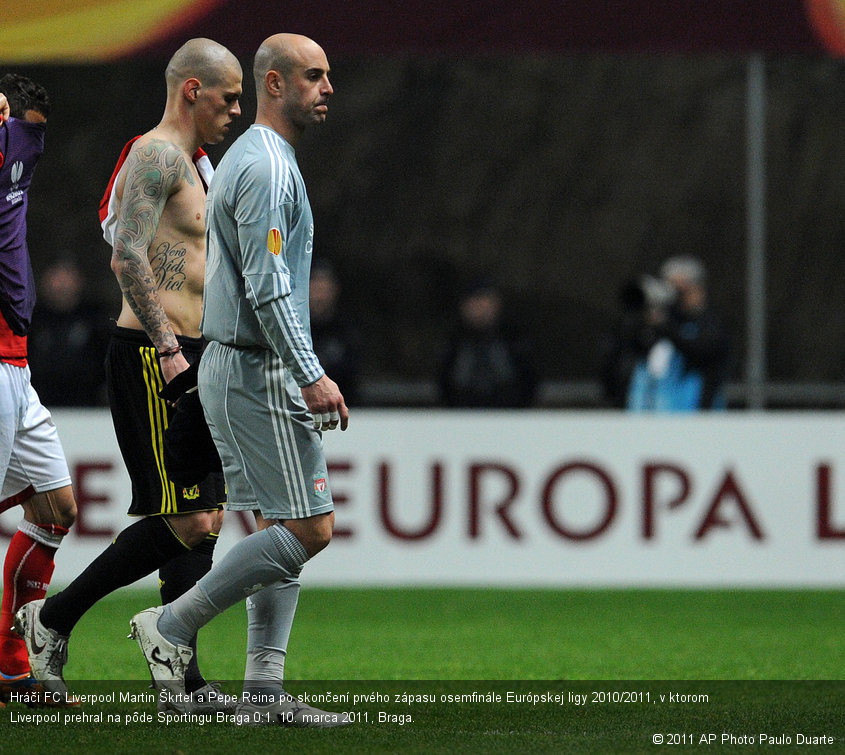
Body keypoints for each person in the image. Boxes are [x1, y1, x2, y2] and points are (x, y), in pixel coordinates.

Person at [127, 33, 351, 727]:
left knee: (279, 526)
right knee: (310, 528)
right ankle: (170, 623)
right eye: (314, 76)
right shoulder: (266, 168)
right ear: (274, 84)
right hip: (258, 368)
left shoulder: (247, 160)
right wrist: (309, 372)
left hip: (236, 363)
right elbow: (268, 285)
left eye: (328, 75)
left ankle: (262, 692)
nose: (328, 87)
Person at [15, 40, 243, 707]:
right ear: (192, 89)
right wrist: (171, 348)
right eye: (228, 96)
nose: (235, 110)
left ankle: (180, 676)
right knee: (191, 519)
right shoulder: (155, 154)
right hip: (151, 353)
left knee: (207, 514)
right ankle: (52, 619)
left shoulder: (200, 165)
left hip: (196, 353)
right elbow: (126, 255)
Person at [0, 74, 77, 705]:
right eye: (25, 129)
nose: (32, 144)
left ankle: (10, 662)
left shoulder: (16, 171)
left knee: (56, 509)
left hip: (17, 369)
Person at [603, 256, 731, 411]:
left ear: (698, 290)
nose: (675, 296)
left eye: (681, 289)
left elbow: (704, 351)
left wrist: (667, 326)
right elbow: (618, 355)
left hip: (695, 418)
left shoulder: (709, 324)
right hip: (646, 415)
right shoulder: (652, 328)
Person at [438, 278, 537, 408]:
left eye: (485, 303)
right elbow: (444, 383)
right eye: (475, 304)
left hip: (509, 416)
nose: (480, 310)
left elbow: (528, 380)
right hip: (461, 417)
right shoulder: (454, 342)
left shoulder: (513, 339)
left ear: (496, 305)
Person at [27, 259, 109, 407]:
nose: (62, 284)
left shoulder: (95, 320)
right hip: (39, 405)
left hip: (89, 409)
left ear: (79, 281)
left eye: (67, 276)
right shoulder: (32, 321)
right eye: (56, 276)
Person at [310, 259, 361, 405]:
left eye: (323, 289)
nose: (319, 296)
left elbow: (353, 373)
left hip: (344, 406)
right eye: (315, 288)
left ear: (333, 290)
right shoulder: (294, 328)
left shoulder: (346, 329)